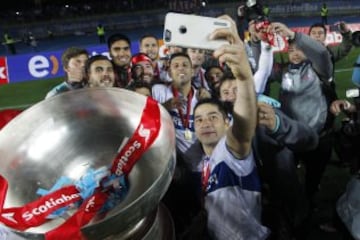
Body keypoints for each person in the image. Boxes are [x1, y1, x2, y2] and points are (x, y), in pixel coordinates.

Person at [191, 15, 270, 239]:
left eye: (213, 117)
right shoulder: (202, 162)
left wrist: (244, 78)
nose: (205, 123)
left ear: (227, 123)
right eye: (199, 119)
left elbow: (244, 125)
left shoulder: (231, 151)